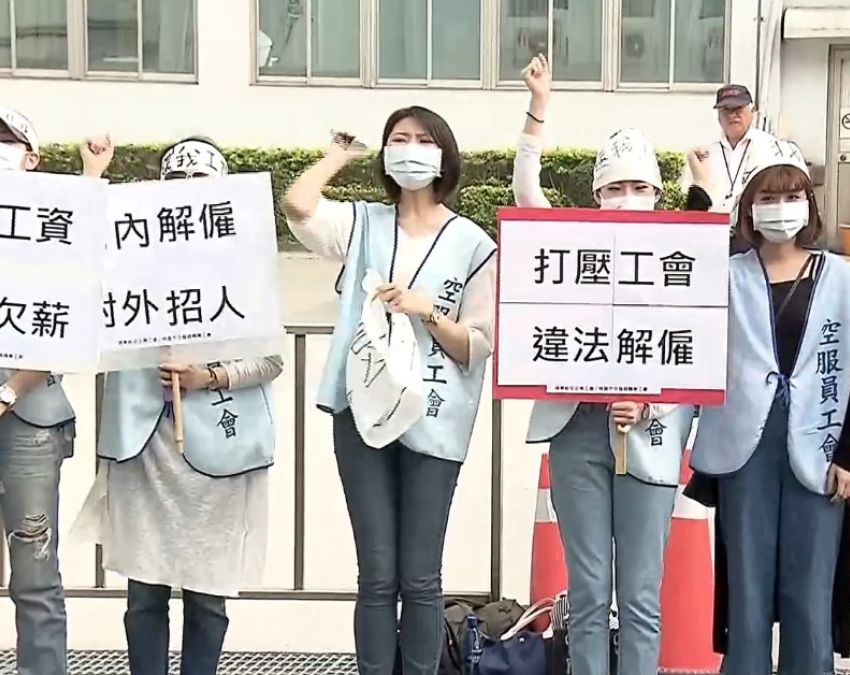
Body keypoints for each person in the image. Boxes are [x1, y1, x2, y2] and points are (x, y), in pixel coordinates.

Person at [283, 107, 496, 675]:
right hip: (362, 411)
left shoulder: (473, 243)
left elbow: (477, 344)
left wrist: (428, 312)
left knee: (421, 576)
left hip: (434, 415)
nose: (411, 149)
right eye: (399, 139)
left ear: (444, 155)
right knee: (377, 573)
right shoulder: (362, 223)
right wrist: (337, 155)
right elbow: (299, 205)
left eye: (424, 140)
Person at [69, 136, 281, 675]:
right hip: (143, 446)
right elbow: (74, 259)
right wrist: (93, 174)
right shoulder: (127, 261)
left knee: (208, 595)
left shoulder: (246, 266)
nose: (187, 193)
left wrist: (208, 376)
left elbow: (271, 359)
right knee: (144, 592)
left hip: (220, 450)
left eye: (200, 183)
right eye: (177, 182)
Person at [514, 53, 693, 675]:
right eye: (615, 187)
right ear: (595, 195)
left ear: (658, 195)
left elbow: (696, 348)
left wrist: (650, 403)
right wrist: (538, 110)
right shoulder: (571, 247)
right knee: (588, 592)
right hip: (576, 429)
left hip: (649, 433)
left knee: (641, 596)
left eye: (639, 187)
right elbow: (526, 195)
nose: (627, 198)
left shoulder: (680, 257)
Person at [687, 138, 850, 675]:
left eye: (792, 196)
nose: (781, 208)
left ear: (809, 205)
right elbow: (686, 257)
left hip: (819, 440)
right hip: (746, 445)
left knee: (810, 589)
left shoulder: (841, 276)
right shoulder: (729, 272)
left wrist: (849, 453)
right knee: (748, 586)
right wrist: (701, 189)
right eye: (768, 197)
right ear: (749, 208)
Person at [0, 107, 112, 675]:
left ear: (32, 158)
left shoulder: (51, 229)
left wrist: (9, 391)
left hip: (32, 417)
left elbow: (70, 314)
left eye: (6, 141)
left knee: (35, 570)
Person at [685, 84, 780, 214]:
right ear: (718, 116)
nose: (732, 115)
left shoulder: (771, 147)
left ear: (752, 111)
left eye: (738, 108)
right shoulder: (704, 152)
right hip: (714, 222)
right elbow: (692, 205)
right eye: (726, 110)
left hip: (755, 222)